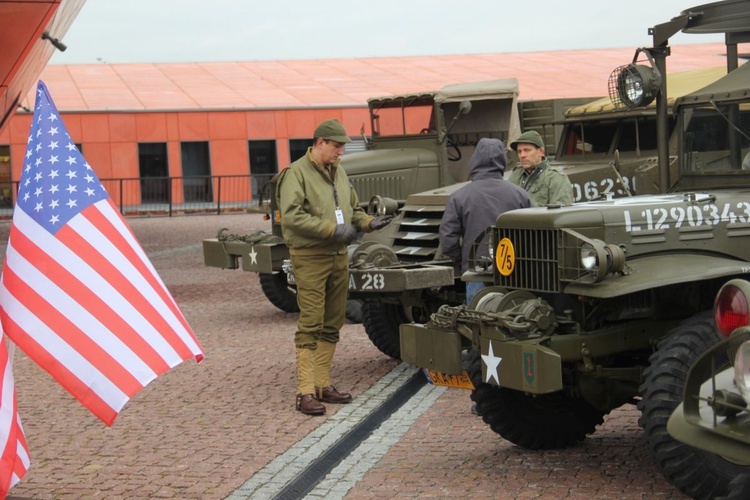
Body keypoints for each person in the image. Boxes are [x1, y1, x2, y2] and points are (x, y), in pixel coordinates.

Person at [277, 118, 392, 416]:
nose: (341, 152)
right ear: (319, 143)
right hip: (310, 256)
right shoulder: (296, 174)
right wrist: (331, 230)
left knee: (333, 321)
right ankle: (304, 392)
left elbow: (352, 209)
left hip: (338, 257)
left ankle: (322, 384)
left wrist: (369, 222)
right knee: (311, 323)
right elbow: (291, 217)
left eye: (342, 147)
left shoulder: (338, 172)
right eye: (336, 146)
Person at [439, 138, 530, 306]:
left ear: (475, 160)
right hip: (514, 273)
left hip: (476, 273)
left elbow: (447, 239)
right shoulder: (519, 194)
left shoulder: (459, 197)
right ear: (502, 160)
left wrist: (464, 262)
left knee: (478, 324)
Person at [508, 130, 574, 206]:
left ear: (541, 152)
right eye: (519, 151)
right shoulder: (516, 175)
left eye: (527, 150)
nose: (522, 155)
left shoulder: (555, 177)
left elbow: (561, 212)